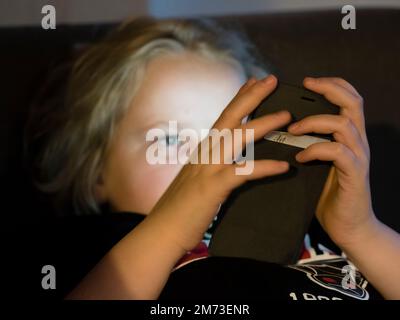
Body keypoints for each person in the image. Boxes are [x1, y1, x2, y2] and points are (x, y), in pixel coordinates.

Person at [29, 17, 399, 300]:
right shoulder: (99, 247)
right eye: (172, 138)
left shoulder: (322, 231)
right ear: (97, 172)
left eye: (231, 136)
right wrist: (169, 230)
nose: (209, 158)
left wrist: (362, 233)